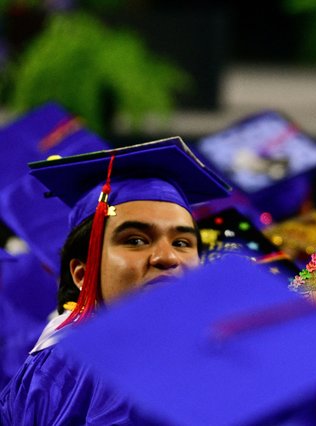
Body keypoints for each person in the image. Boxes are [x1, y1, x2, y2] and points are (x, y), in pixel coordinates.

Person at [0, 137, 230, 424]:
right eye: (135, 240)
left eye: (183, 242)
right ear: (82, 275)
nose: (168, 257)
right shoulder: (73, 366)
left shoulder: (224, 352)